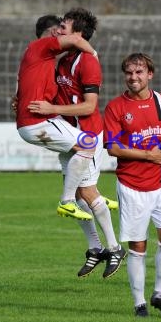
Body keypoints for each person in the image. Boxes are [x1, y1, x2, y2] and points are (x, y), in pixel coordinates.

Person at [26, 8, 126, 279]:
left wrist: (49, 109)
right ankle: (96, 247)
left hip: (88, 135)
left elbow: (89, 106)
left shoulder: (87, 61)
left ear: (78, 34)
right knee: (81, 195)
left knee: (87, 193)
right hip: (69, 134)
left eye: (64, 26)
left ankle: (114, 248)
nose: (59, 29)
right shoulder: (63, 60)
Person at [104, 53, 161, 317]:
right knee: (138, 247)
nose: (133, 77)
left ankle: (159, 295)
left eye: (139, 72)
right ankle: (139, 303)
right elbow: (113, 148)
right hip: (132, 186)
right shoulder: (116, 107)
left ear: (150, 74)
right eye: (129, 73)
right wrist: (147, 155)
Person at [15, 14, 98, 221]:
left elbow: (23, 84)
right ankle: (68, 201)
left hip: (35, 122)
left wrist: (18, 100)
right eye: (60, 28)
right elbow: (77, 40)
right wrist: (94, 55)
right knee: (88, 144)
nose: (62, 32)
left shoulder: (43, 59)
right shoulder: (41, 46)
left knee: (76, 152)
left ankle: (90, 194)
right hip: (37, 122)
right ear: (54, 33)